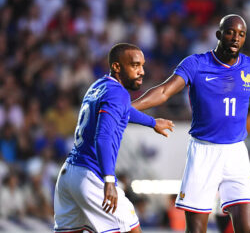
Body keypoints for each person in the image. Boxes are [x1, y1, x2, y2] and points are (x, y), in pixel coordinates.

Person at [132, 14, 250, 233]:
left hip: (236, 154)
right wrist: (128, 108)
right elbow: (163, 91)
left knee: (248, 229)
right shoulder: (196, 64)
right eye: (230, 32)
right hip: (203, 152)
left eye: (241, 34)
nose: (235, 38)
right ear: (219, 35)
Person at [54, 43, 174, 233]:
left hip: (69, 175)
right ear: (117, 67)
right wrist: (109, 181)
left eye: (142, 65)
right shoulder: (118, 93)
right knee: (131, 230)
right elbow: (103, 137)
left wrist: (152, 122)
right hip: (92, 176)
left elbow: (122, 112)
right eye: (135, 65)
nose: (142, 71)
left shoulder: (98, 86)